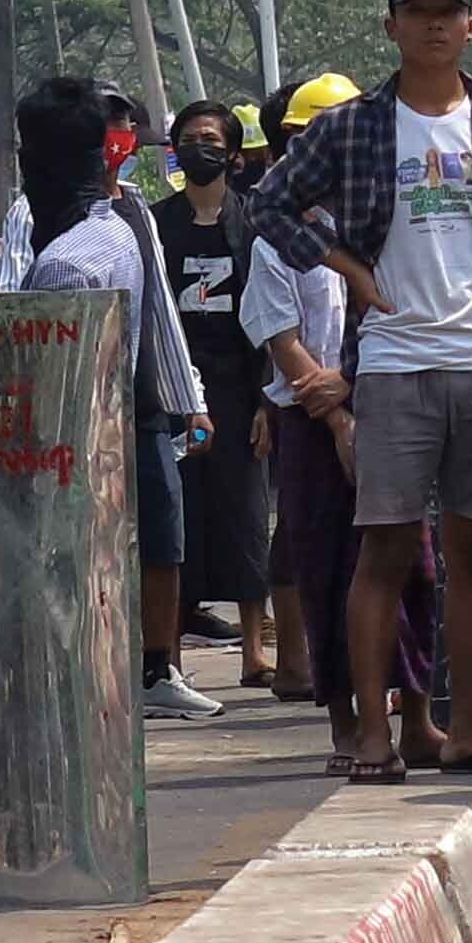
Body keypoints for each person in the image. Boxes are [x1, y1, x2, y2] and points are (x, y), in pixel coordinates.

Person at [252, 0, 472, 783]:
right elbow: (269, 202)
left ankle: (464, 728)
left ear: (471, 26)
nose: (433, 25)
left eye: (447, 12)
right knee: (383, 549)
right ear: (390, 26)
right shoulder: (353, 126)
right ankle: (373, 737)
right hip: (391, 364)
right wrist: (347, 269)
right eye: (416, 12)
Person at [3, 78, 220, 721]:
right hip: (84, 409)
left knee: (155, 536)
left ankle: (156, 664)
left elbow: (159, 314)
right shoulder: (40, 222)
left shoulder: (122, 223)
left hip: (119, 404)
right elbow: (17, 297)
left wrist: (189, 398)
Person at [241, 79, 365, 714]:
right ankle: (342, 707)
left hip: (381, 405)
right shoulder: (277, 241)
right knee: (319, 558)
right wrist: (337, 416)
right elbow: (284, 343)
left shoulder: (379, 227)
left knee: (391, 559)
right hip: (309, 420)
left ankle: (396, 693)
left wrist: (350, 385)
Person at [160, 102, 278, 691]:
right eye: (186, 139)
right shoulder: (154, 225)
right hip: (177, 386)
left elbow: (274, 315)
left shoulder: (254, 222)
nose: (196, 148)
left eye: (208, 139)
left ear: (233, 153)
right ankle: (171, 654)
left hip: (239, 386)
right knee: (179, 519)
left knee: (247, 515)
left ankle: (255, 648)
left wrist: (267, 401)